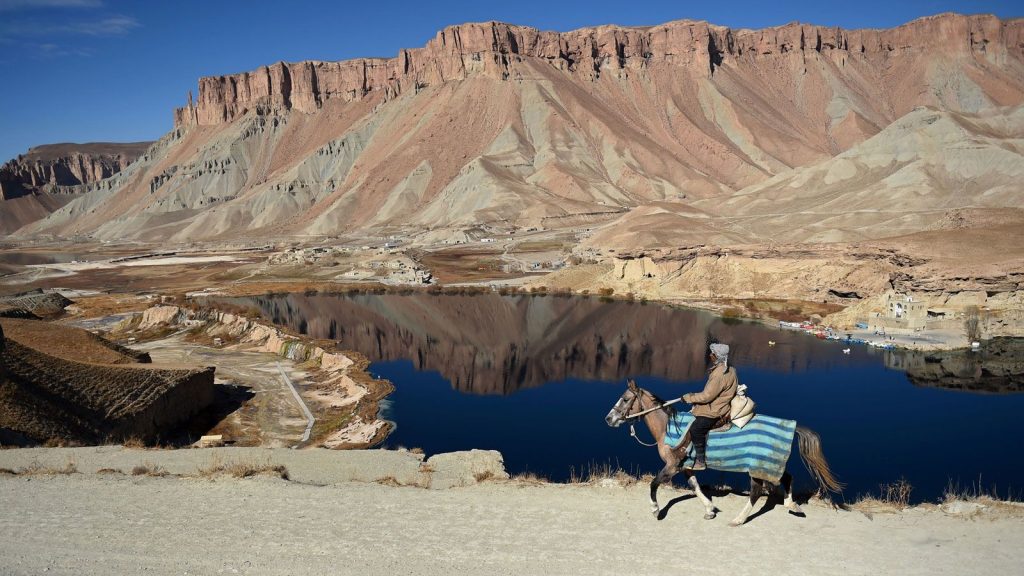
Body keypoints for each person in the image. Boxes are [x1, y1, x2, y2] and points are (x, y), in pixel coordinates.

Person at [681, 343, 738, 470]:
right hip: (722, 406)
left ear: (717, 356)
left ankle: (700, 461)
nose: (709, 355)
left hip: (715, 410)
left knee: (696, 429)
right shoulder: (731, 369)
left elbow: (707, 396)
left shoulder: (719, 374)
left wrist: (688, 398)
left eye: (712, 353)